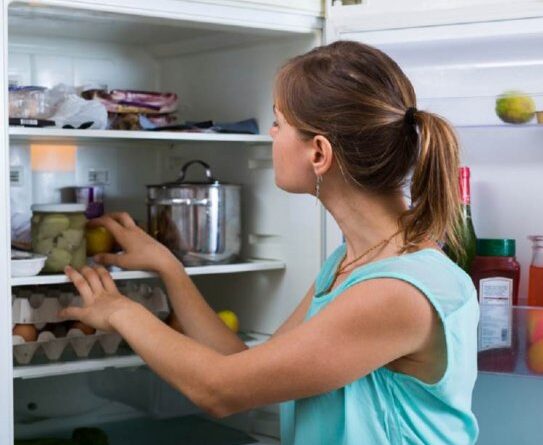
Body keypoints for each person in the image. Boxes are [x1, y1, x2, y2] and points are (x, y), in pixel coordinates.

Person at [60, 40, 479, 445]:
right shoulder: (352, 263)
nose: (271, 134)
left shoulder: (399, 292)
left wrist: (120, 311)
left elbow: (219, 390)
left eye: (278, 122)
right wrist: (170, 268)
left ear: (319, 153)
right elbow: (240, 367)